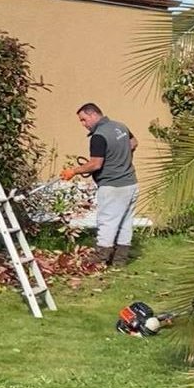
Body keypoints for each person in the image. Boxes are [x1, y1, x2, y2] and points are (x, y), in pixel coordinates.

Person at [61, 103, 139, 267]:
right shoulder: (120, 126)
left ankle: (100, 258)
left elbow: (96, 164)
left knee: (107, 222)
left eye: (83, 120)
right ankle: (119, 260)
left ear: (93, 115)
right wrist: (122, 158)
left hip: (113, 186)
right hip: (131, 183)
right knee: (125, 222)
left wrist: (73, 171)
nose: (83, 124)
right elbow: (133, 143)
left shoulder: (99, 136)